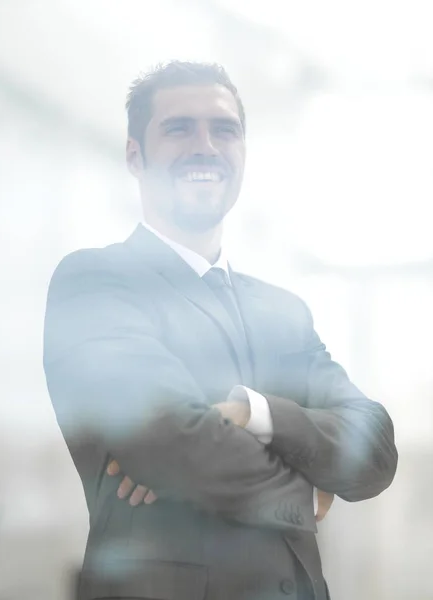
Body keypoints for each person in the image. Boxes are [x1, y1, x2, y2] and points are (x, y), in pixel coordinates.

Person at [43, 61, 398, 600]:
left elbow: (372, 451)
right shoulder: (95, 281)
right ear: (135, 156)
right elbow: (171, 442)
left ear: (243, 155)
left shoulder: (284, 311)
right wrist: (309, 491)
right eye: (179, 127)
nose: (205, 145)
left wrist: (256, 413)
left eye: (224, 128)